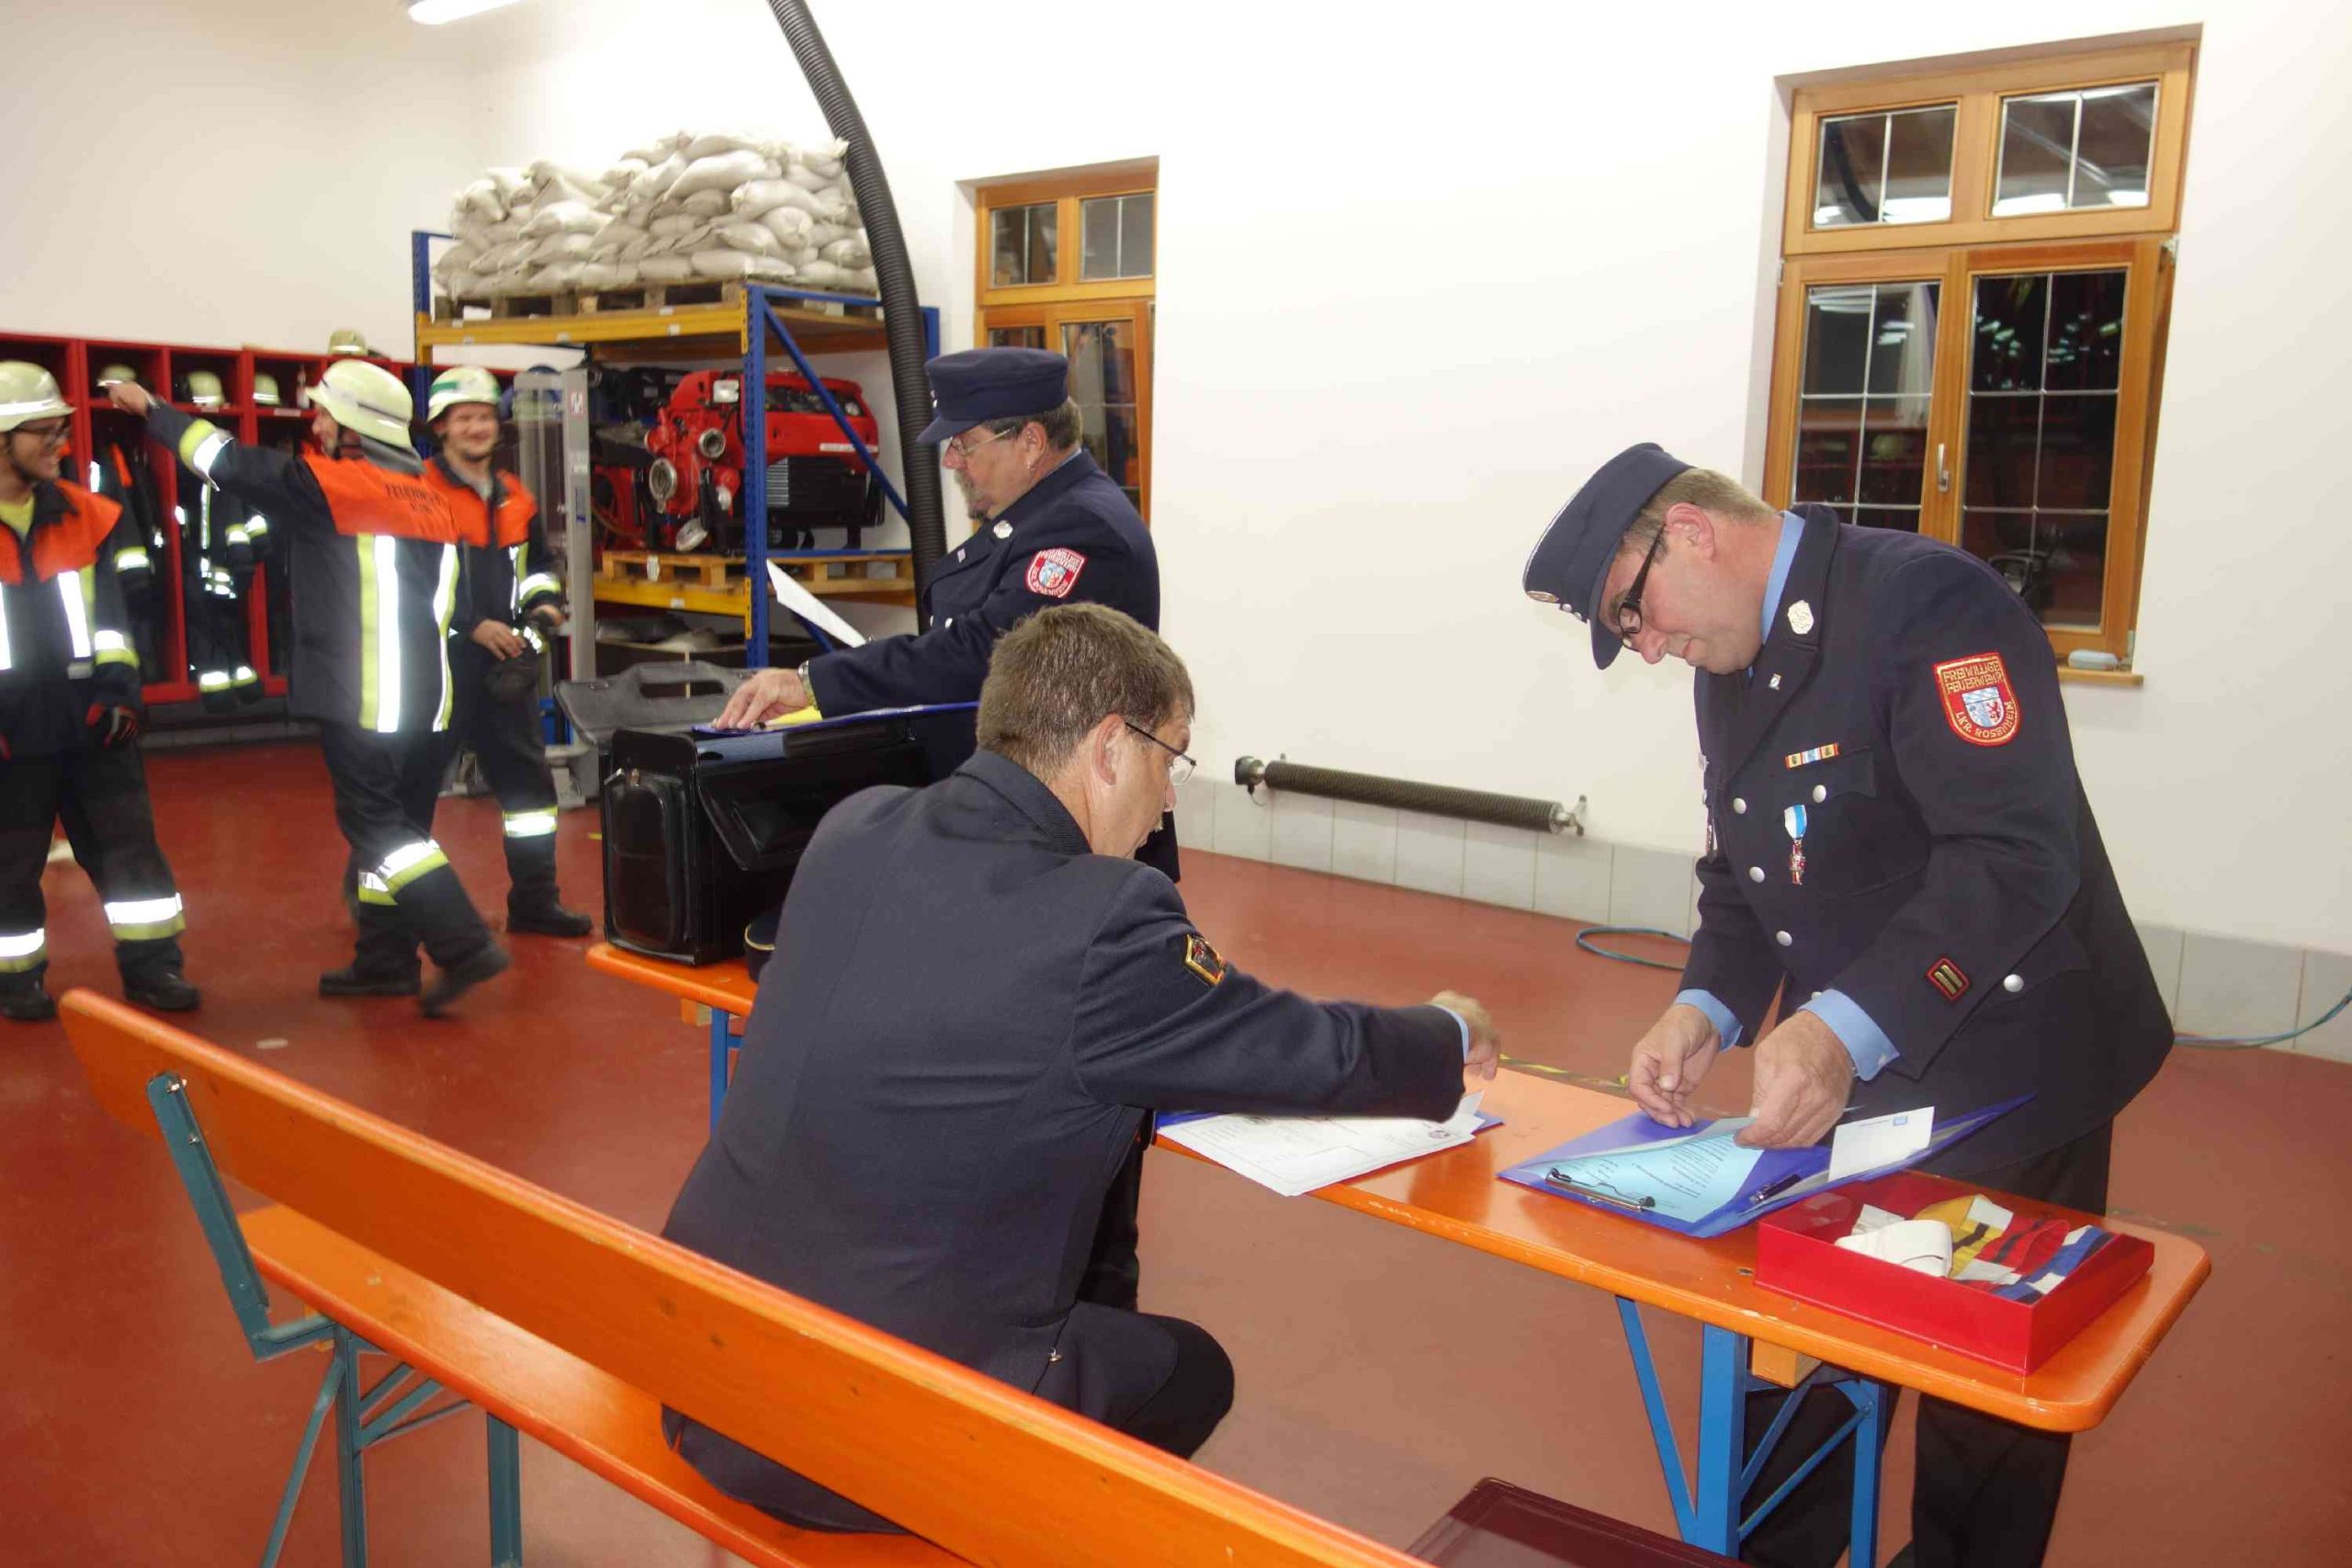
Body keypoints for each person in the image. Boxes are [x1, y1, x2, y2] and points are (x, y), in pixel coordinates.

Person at [661, 603, 1497, 1532]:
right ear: (1109, 747)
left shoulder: (857, 825)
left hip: (702, 1365)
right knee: (1190, 1372)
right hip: (863, 1436)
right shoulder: (1106, 915)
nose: (1169, 797)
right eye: (1170, 758)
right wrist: (1446, 1033)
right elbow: (1302, 1051)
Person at [1521, 446, 2172, 1568]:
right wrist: (1705, 1007)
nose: (1649, 648)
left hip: (2009, 1063)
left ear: (1690, 533)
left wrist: (1837, 1027)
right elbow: (1742, 871)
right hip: (1847, 1063)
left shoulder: (1927, 604)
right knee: (1799, 1355)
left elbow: (2014, 858)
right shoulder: (1728, 658)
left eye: (1635, 613)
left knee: (1978, 1401)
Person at [110, 364, 509, 1016]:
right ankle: (386, 961)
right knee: (400, 827)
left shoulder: (333, 486)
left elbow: (226, 461)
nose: (316, 424)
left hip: (366, 696)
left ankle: (463, 943)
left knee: (376, 826)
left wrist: (154, 410)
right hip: (429, 700)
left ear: (356, 428)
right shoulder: (431, 497)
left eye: (326, 414)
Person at [0, 362, 198, 1020]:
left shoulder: (88, 516)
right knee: (8, 867)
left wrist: (119, 696)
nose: (60, 444)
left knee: (131, 855)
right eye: (44, 432)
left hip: (92, 723)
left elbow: (113, 621)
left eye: (60, 430)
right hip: (9, 735)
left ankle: (154, 967)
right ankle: (14, 979)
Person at [419, 366, 591, 939]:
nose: (476, 427)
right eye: (463, 418)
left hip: (506, 667)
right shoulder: (417, 491)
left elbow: (538, 566)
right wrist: (471, 626)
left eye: (485, 417)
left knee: (529, 794)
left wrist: (542, 613)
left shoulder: (517, 496)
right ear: (441, 427)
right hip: (437, 668)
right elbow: (409, 580)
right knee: (409, 790)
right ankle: (387, 909)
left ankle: (536, 903)